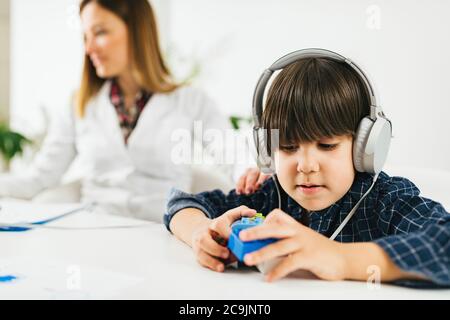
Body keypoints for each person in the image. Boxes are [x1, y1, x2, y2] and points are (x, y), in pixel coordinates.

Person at [164, 49, 450, 287]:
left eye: (326, 146)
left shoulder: (386, 202)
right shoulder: (270, 196)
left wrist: (339, 257)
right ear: (267, 149)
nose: (306, 165)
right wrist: (200, 232)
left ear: (365, 147)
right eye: (288, 147)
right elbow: (181, 203)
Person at [0, 0, 230, 222]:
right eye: (85, 37)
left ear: (137, 30)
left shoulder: (190, 100)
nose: (88, 48)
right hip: (96, 231)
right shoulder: (80, 103)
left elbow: (231, 154)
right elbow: (39, 178)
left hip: (164, 232)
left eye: (100, 32)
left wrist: (256, 176)